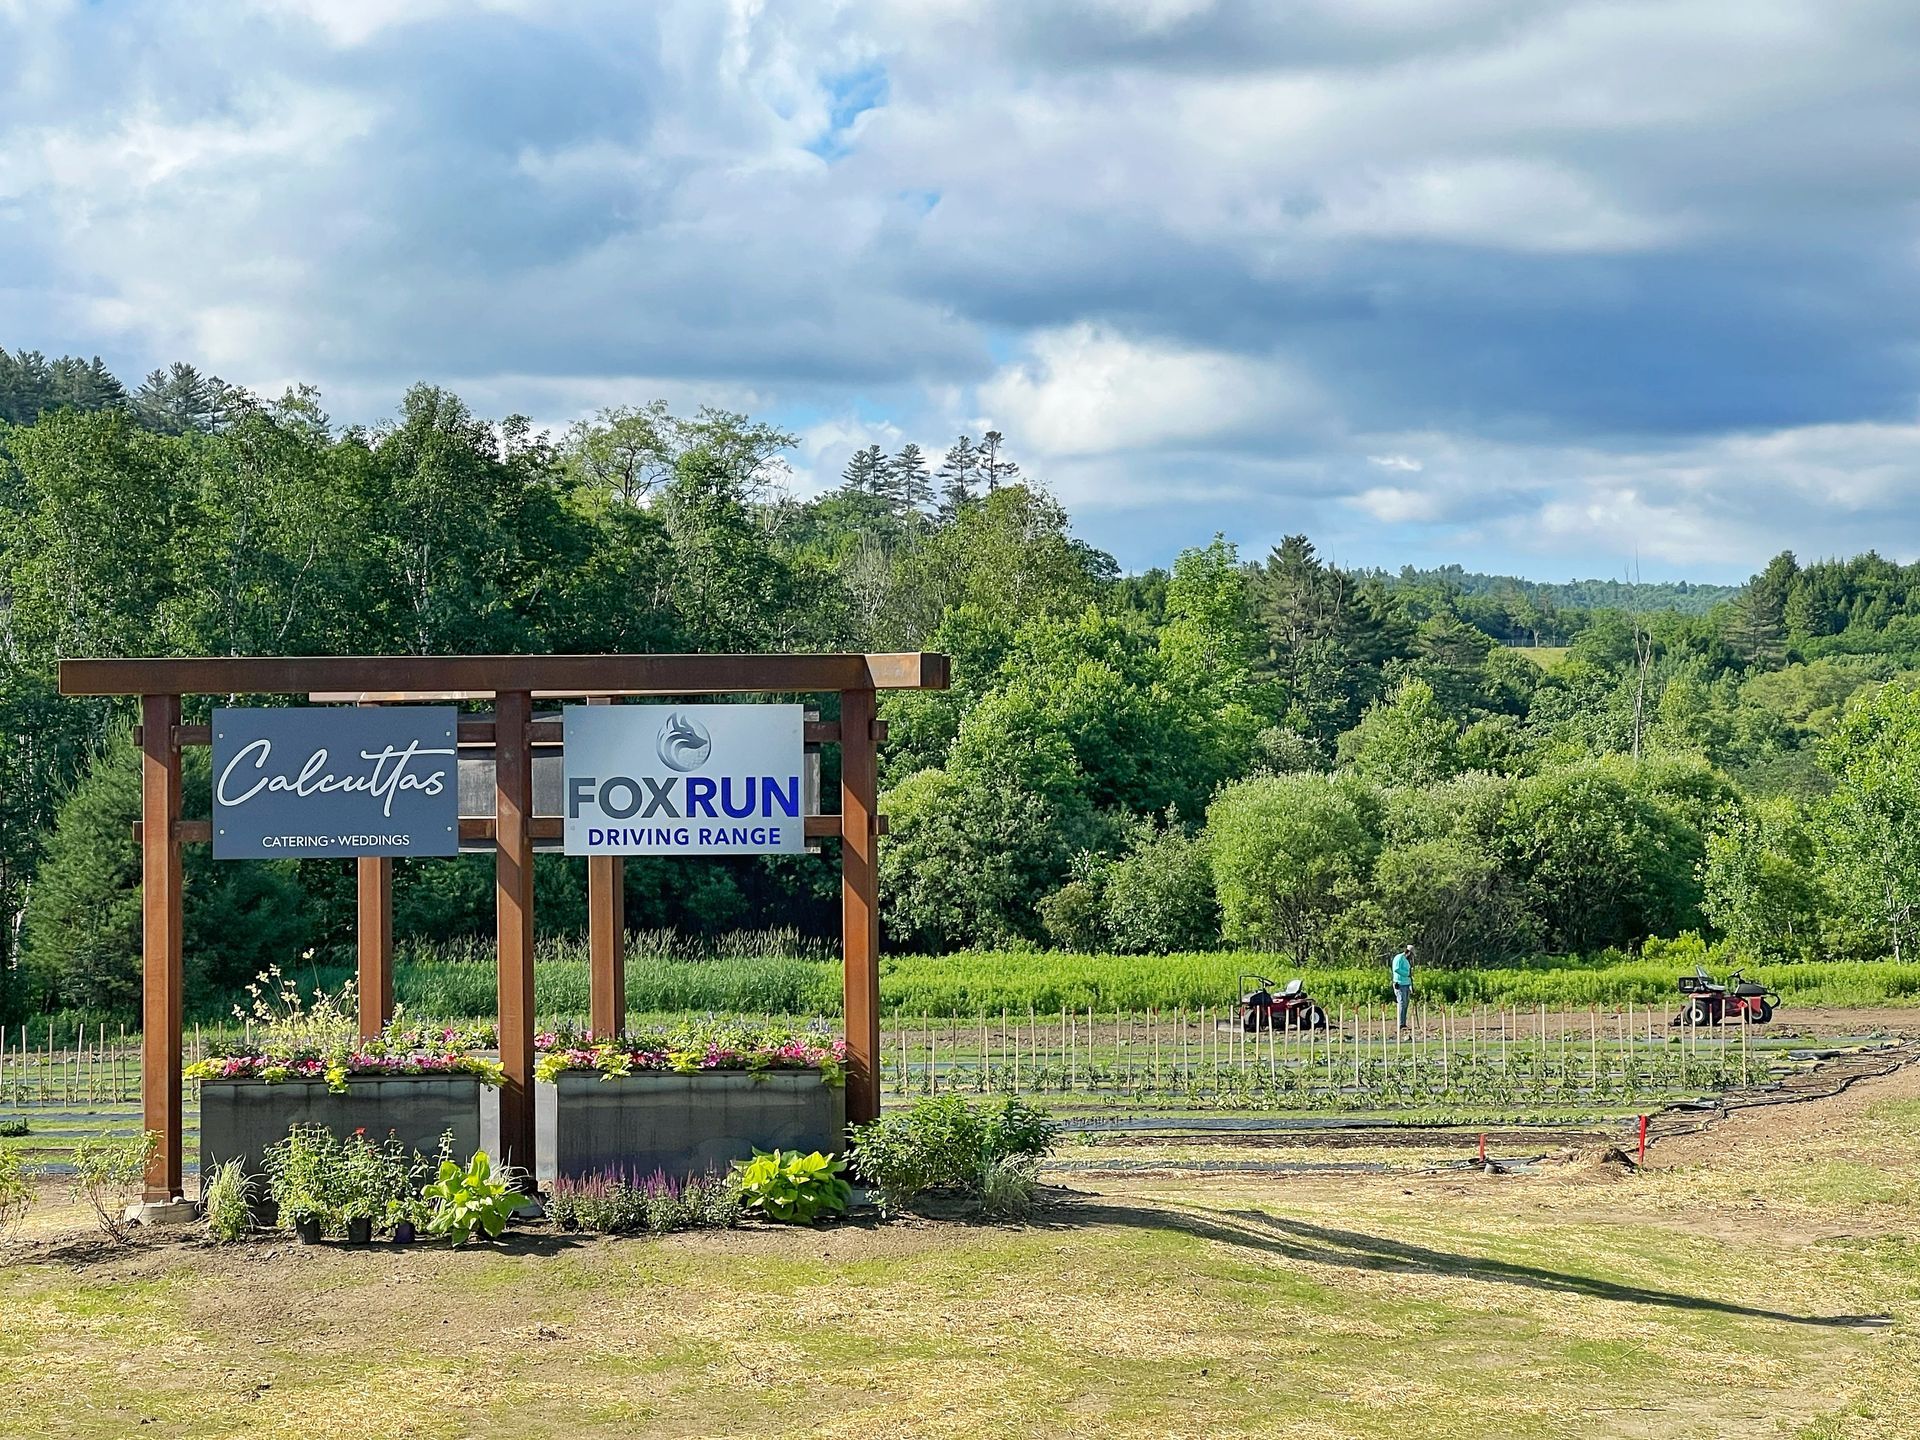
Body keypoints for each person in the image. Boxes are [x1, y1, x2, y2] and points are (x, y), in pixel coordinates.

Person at [1391, 943, 1414, 1031]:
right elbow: (1396, 969)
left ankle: (1404, 1023)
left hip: (1406, 984)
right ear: (1408, 952)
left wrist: (1411, 985)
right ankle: (1400, 1024)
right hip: (1399, 983)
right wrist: (1407, 974)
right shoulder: (1399, 958)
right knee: (1401, 1002)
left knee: (1406, 1004)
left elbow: (1409, 975)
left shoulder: (1407, 960)